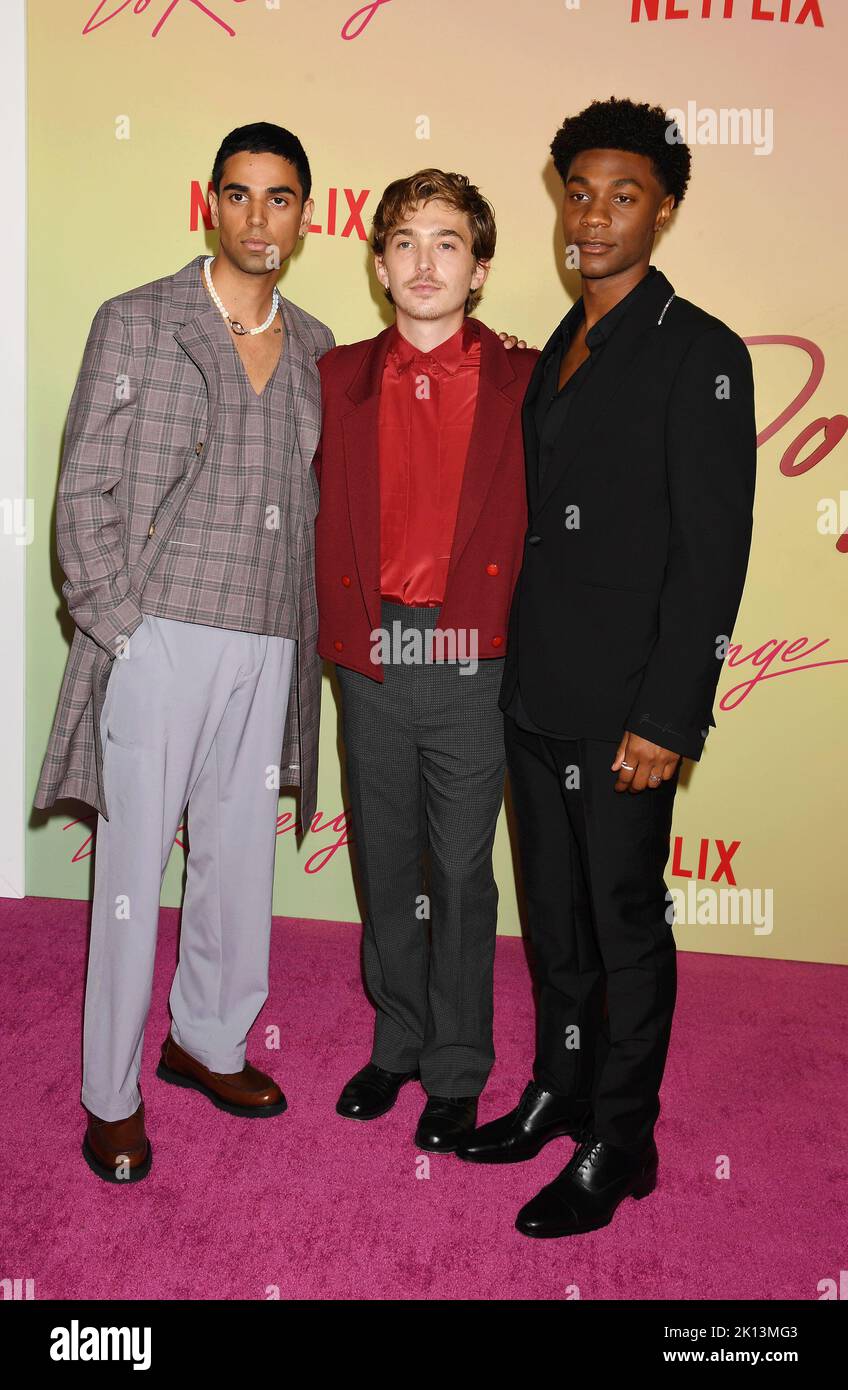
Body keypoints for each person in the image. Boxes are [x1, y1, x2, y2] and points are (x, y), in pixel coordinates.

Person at [457, 97, 757, 1237]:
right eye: (576, 191)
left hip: (628, 707)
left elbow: (710, 554)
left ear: (664, 210)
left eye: (621, 195)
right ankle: (560, 1088)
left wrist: (669, 715)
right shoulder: (561, 345)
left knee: (624, 925)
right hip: (536, 691)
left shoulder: (703, 353)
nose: (591, 214)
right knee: (555, 921)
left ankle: (621, 1143)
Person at [33, 122, 334, 1183]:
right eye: (241, 195)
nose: (261, 217)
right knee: (127, 879)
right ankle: (109, 1096)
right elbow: (82, 490)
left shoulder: (320, 349)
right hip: (156, 639)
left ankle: (206, 1040)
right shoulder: (137, 320)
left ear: (307, 211)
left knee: (237, 865)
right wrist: (123, 629)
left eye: (282, 197)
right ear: (211, 202)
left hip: (267, 642)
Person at [313, 170, 538, 1152]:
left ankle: (456, 1066)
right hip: (370, 650)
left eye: (446, 243)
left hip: (472, 650)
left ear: (479, 268)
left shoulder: (527, 381)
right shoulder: (332, 377)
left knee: (458, 870)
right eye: (403, 241)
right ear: (376, 264)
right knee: (385, 855)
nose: (423, 262)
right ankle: (396, 1040)